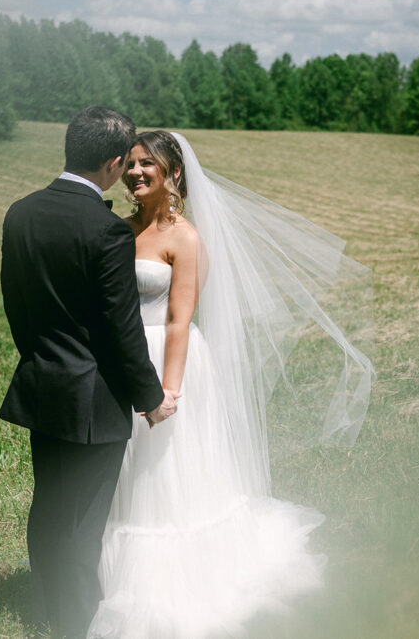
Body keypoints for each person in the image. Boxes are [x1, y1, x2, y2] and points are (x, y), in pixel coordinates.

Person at [87, 131, 375, 638]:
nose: (134, 173)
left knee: (168, 477)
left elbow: (180, 319)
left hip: (168, 367)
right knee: (127, 475)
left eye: (146, 164)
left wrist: (165, 393)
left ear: (173, 174)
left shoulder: (185, 237)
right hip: (125, 361)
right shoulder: (117, 229)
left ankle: (177, 587)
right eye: (129, 163)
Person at [0, 107, 180, 638]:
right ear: (114, 160)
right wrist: (151, 397)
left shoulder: (21, 212)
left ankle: (47, 605)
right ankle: (75, 623)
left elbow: (17, 305)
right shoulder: (106, 231)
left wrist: (41, 358)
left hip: (41, 383)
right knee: (83, 522)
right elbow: (121, 332)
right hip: (93, 399)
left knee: (49, 505)